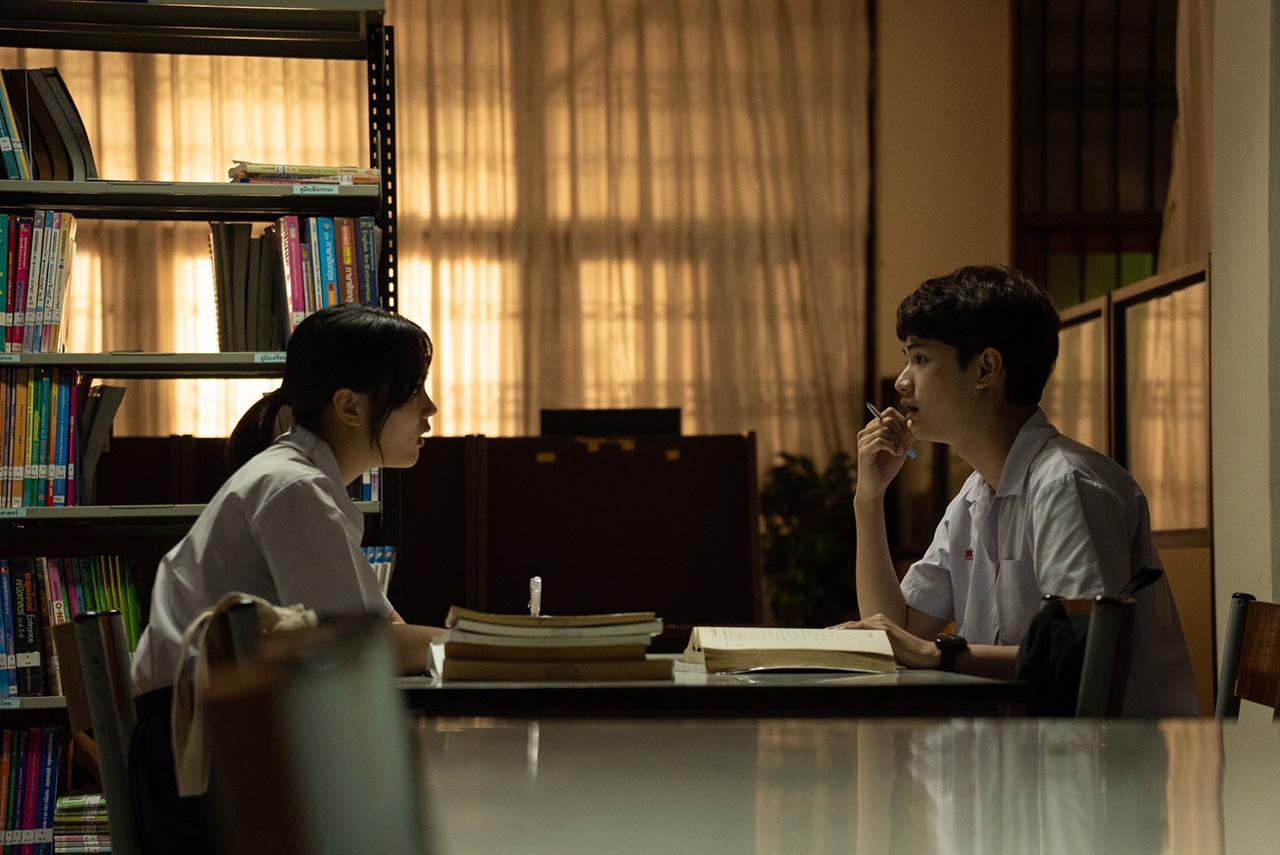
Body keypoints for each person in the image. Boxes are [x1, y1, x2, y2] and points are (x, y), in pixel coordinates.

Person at [128, 304, 444, 853]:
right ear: (350, 406)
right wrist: (492, 646)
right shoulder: (293, 488)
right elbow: (365, 648)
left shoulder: (298, 479)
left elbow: (384, 630)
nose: (430, 408)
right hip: (206, 762)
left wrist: (474, 644)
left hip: (209, 742)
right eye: (414, 390)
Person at [836, 264, 1197, 717]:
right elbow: (897, 630)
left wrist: (936, 654)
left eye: (920, 359)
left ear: (986, 368)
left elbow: (1083, 659)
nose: (902, 381)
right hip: (1016, 747)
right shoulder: (973, 496)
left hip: (1104, 754)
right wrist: (869, 498)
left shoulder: (1066, 483)